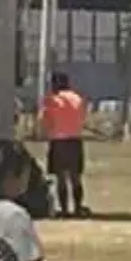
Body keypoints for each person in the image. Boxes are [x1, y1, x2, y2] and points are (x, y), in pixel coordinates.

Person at [40, 72, 90, 218]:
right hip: (75, 140)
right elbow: (82, 117)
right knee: (76, 177)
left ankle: (64, 209)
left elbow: (46, 121)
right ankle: (78, 207)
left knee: (61, 177)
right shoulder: (77, 98)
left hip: (58, 141)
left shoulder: (52, 100)